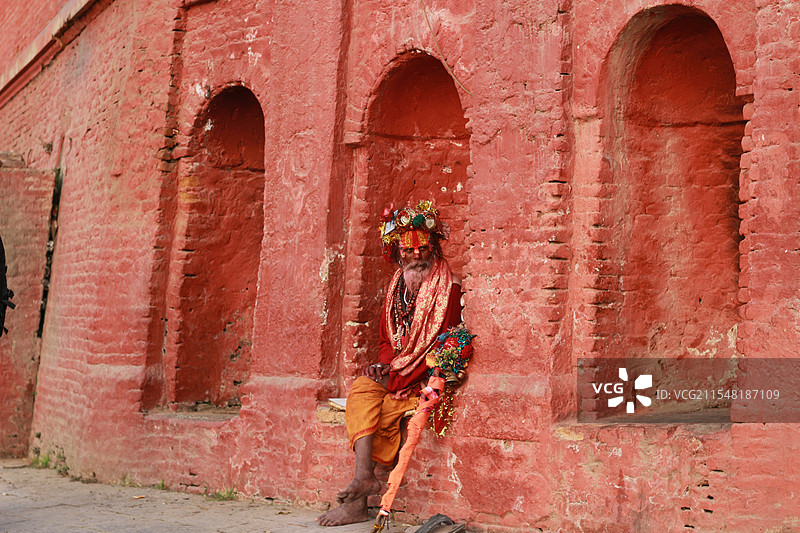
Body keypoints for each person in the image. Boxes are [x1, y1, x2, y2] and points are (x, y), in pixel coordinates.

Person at [317, 200, 463, 527]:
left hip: (424, 377)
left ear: (434, 249)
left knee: (381, 404)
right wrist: (383, 366)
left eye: (422, 249)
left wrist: (414, 374)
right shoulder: (396, 286)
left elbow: (447, 341)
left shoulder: (448, 287)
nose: (415, 256)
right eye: (408, 251)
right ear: (397, 253)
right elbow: (387, 341)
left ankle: (358, 499)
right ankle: (364, 479)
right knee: (362, 389)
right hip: (396, 373)